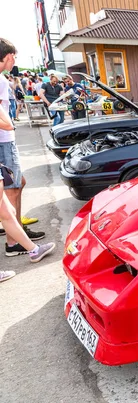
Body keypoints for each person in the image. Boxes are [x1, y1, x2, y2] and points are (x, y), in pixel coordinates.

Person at [0, 38, 45, 257]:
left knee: (18, 184)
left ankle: (17, 232)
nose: (14, 61)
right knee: (11, 190)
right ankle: (13, 241)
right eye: (14, 57)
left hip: (6, 140)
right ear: (7, 56)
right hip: (4, 140)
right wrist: (9, 126)